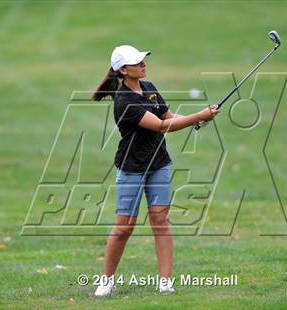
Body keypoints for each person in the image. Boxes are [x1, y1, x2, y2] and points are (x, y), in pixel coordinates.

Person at [91, 45, 219, 297]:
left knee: (160, 222)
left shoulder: (149, 88)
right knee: (125, 226)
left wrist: (200, 117)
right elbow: (161, 126)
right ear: (123, 70)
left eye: (142, 59)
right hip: (132, 168)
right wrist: (197, 116)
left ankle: (165, 281)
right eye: (136, 62)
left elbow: (168, 115)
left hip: (159, 163)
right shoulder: (124, 101)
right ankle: (106, 280)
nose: (142, 64)